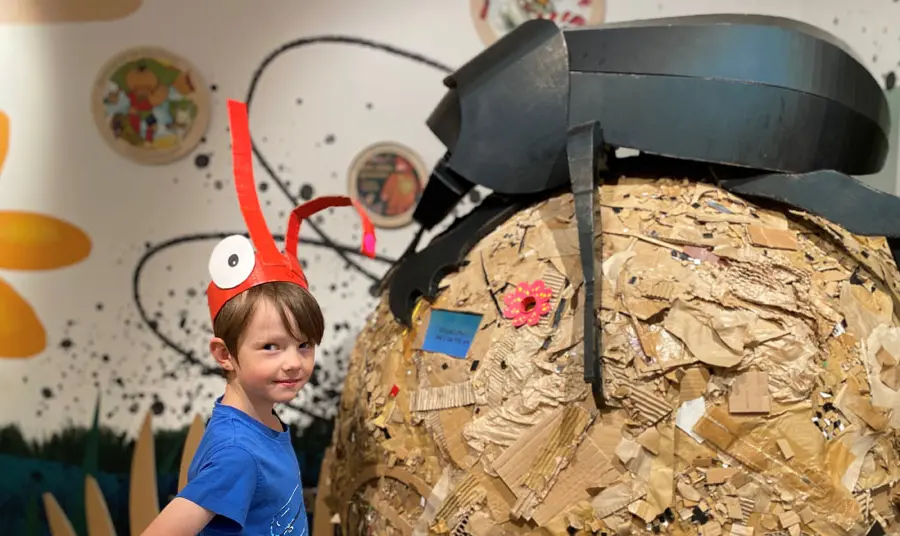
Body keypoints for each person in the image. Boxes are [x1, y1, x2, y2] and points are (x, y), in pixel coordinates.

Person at [140, 99, 375, 536]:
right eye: (271, 346)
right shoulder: (237, 451)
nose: (294, 361)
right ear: (224, 354)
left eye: (304, 344)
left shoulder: (260, 422)